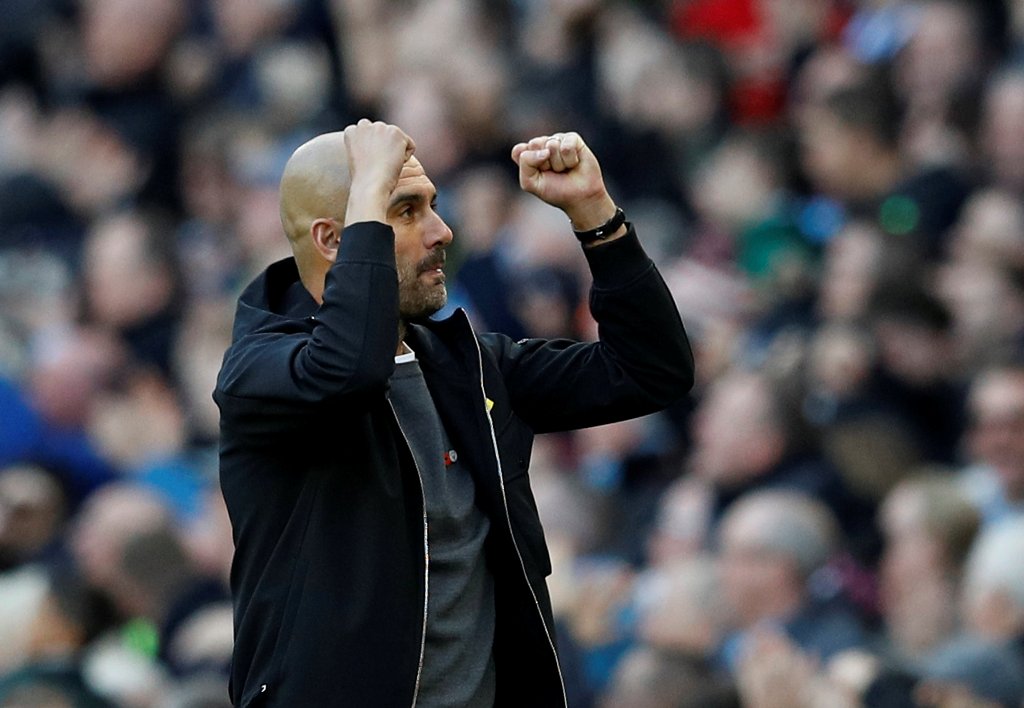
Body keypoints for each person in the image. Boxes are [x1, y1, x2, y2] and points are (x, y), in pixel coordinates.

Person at [214, 120, 694, 706]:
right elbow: (349, 373)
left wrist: (596, 216)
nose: (443, 231)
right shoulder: (260, 374)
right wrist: (366, 187)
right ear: (335, 240)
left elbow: (651, 371)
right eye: (407, 210)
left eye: (434, 206)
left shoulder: (470, 368)